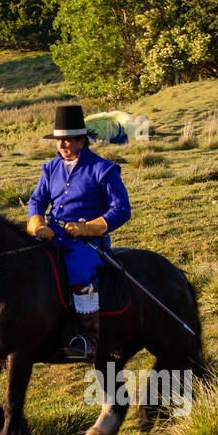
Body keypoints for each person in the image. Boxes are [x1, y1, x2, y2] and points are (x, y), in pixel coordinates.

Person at [26, 103, 131, 360]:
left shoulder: (103, 169)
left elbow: (121, 209)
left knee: (78, 271)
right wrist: (39, 225)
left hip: (86, 243)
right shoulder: (50, 168)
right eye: (59, 140)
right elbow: (37, 201)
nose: (63, 145)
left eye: (69, 140)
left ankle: (88, 339)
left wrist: (88, 228)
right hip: (51, 235)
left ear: (82, 140)